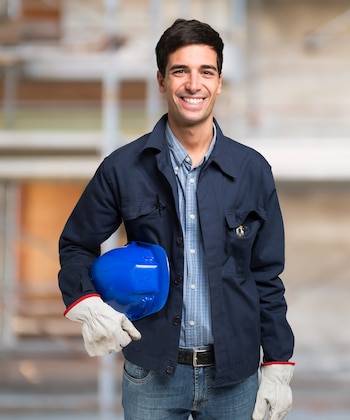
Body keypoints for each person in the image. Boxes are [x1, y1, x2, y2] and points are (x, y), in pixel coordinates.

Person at [58, 18, 295, 420]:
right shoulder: (123, 168)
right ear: (162, 81)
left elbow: (266, 276)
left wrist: (277, 365)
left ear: (219, 82)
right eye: (180, 70)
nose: (193, 83)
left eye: (206, 71)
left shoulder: (252, 170)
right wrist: (88, 302)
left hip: (234, 377)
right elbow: (76, 244)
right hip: (151, 372)